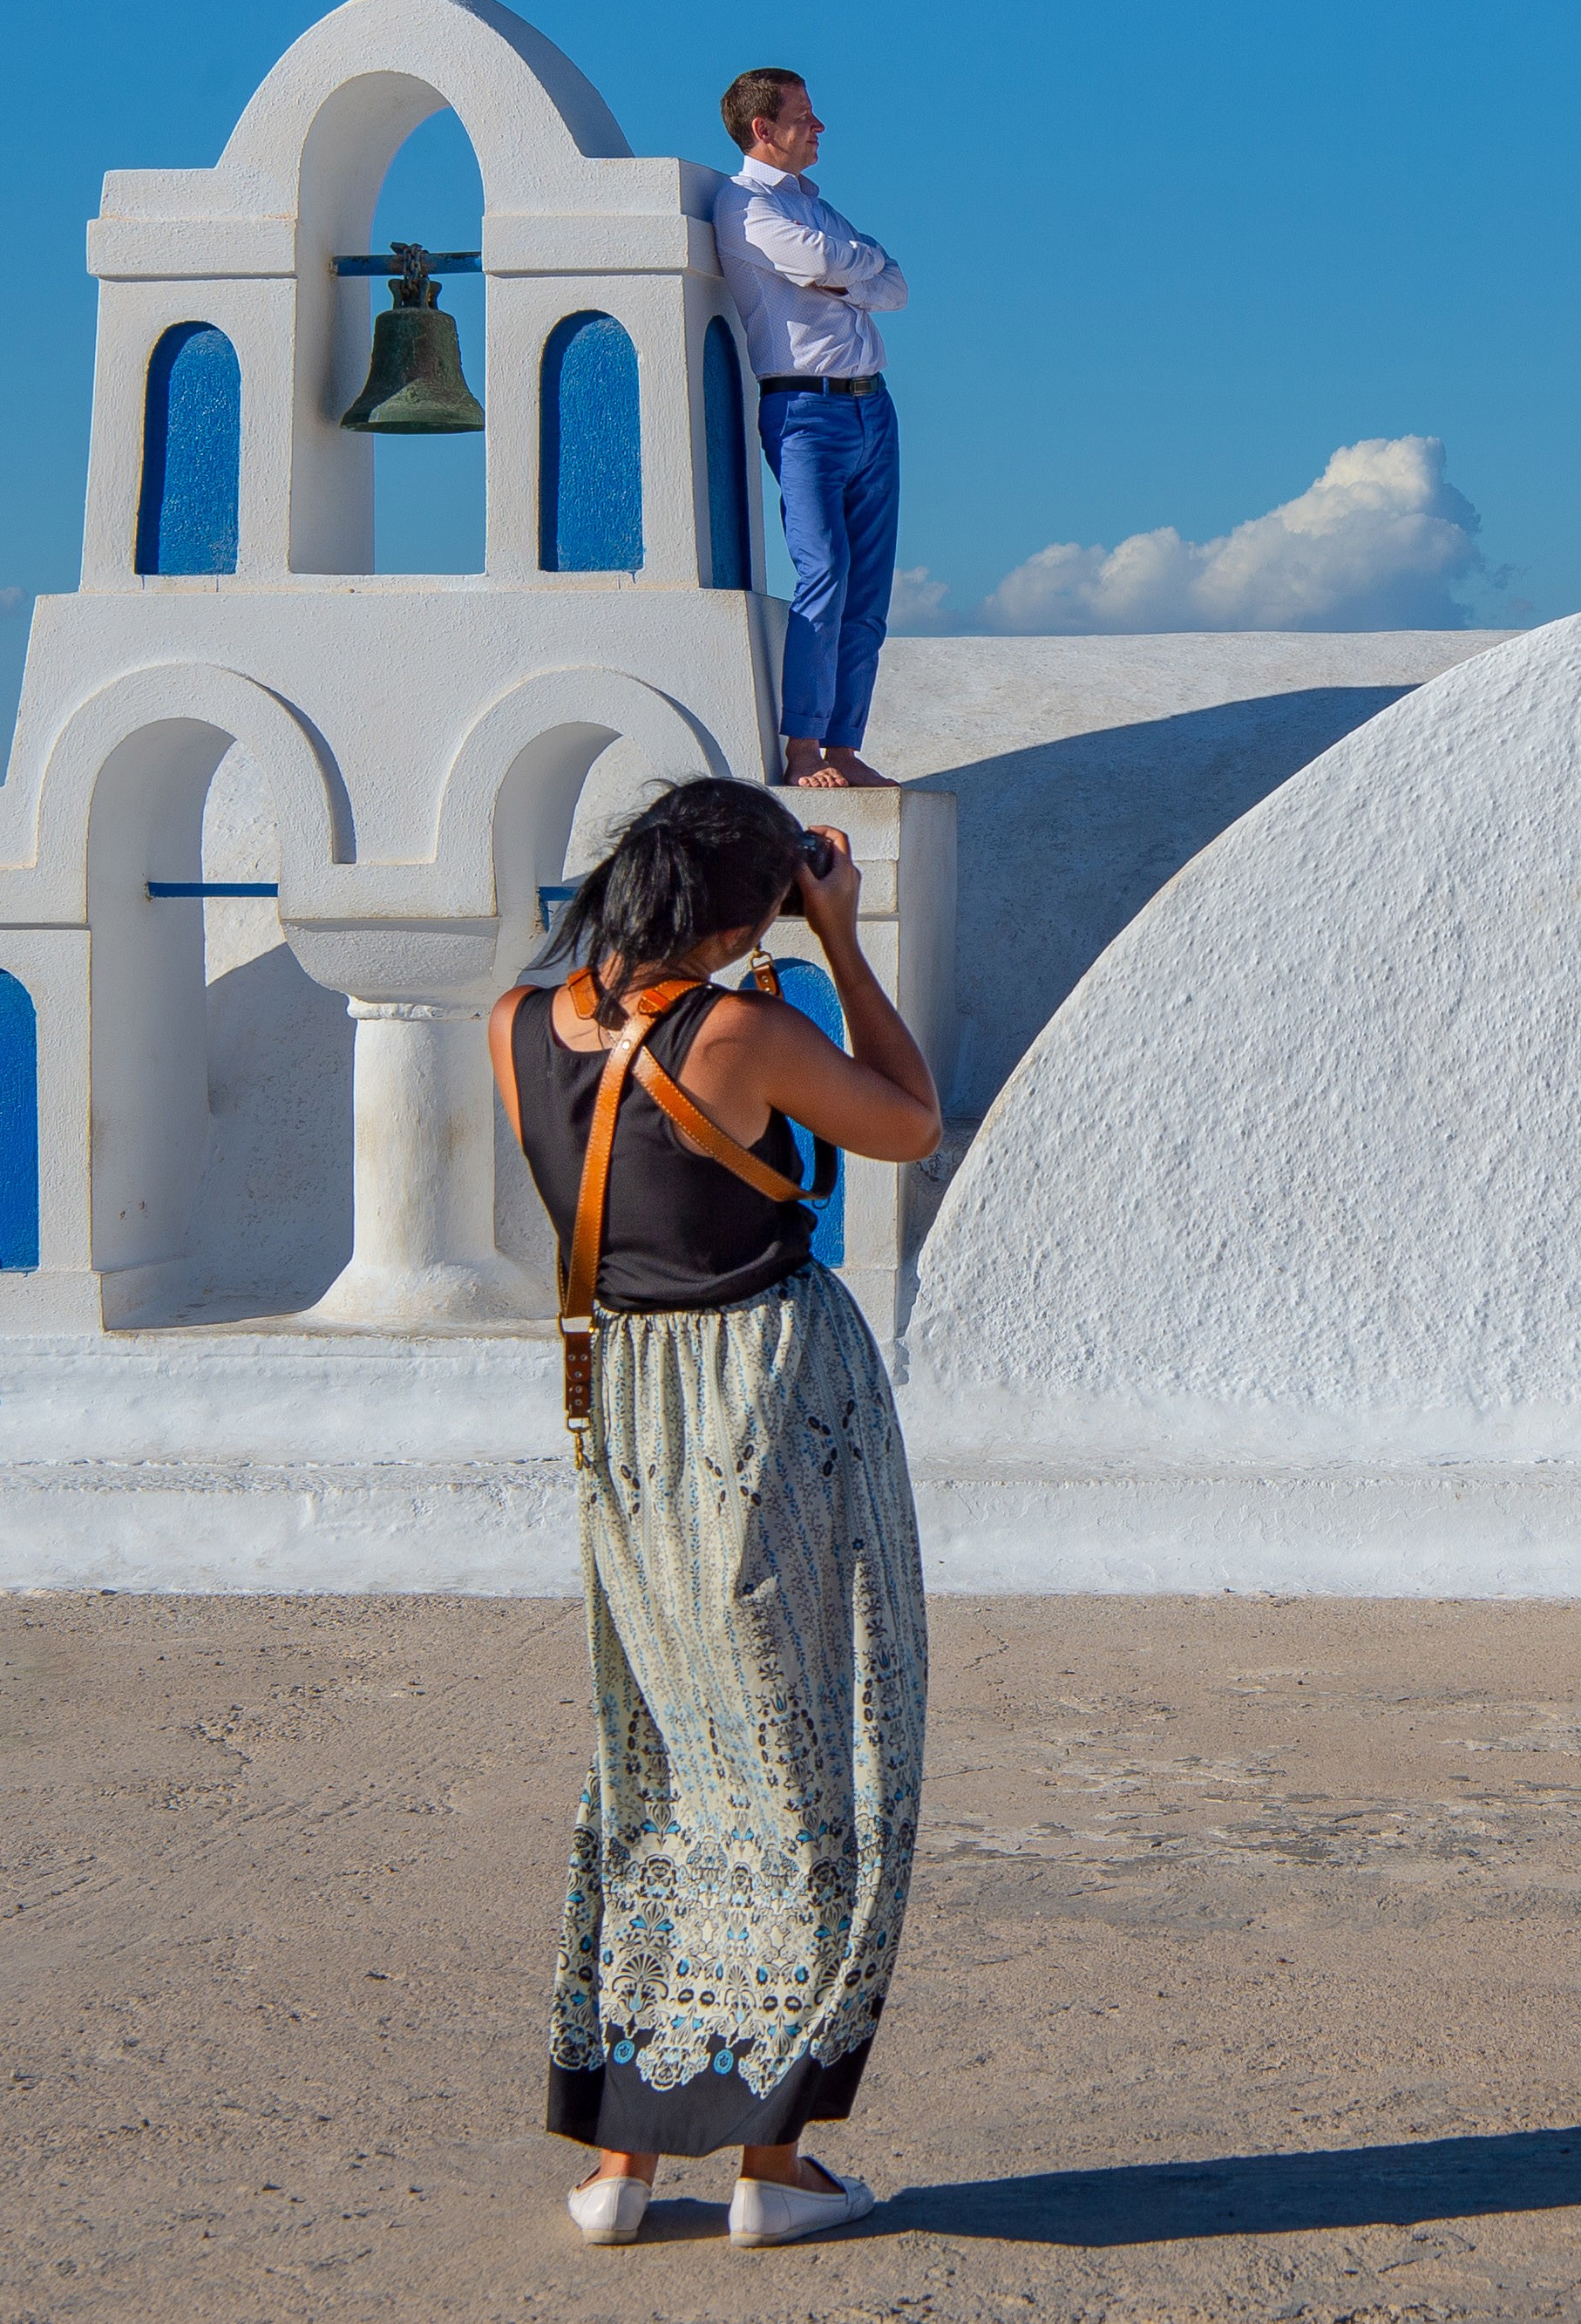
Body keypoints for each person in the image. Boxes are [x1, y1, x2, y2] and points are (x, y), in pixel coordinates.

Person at [486, 778, 946, 2248]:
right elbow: (908, 1121)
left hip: (618, 1399)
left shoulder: (515, 1021)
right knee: (818, 1747)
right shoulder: (742, 1031)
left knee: (657, 1751)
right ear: (756, 902)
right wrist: (843, 939)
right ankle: (769, 2160)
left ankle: (620, 2161)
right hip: (768, 1396)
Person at [713, 68, 910, 790]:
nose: (819, 127)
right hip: (804, 414)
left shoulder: (817, 209)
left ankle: (844, 748)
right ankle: (803, 749)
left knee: (869, 590)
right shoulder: (745, 208)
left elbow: (895, 286)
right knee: (823, 571)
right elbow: (834, 262)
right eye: (804, 117)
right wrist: (854, 269)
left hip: (872, 407)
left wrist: (846, 272)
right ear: (763, 129)